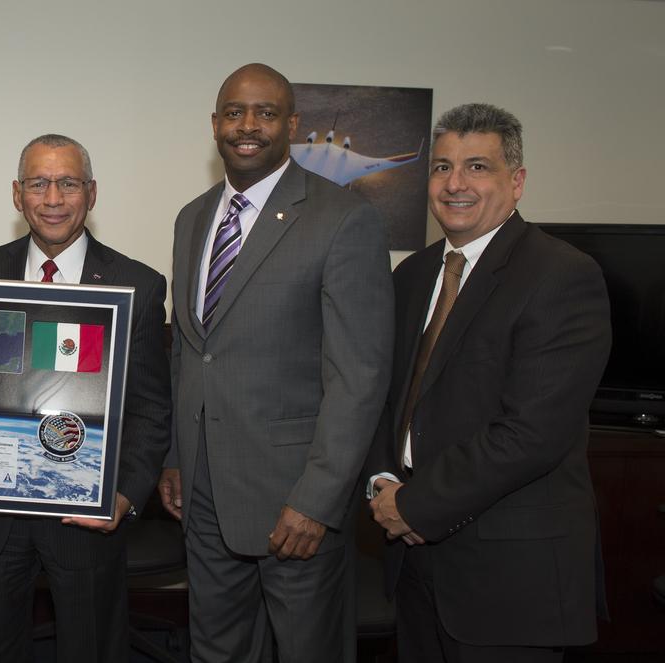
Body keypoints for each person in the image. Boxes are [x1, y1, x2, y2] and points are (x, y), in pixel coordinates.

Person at [158, 63, 394, 663]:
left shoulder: (343, 218)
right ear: (214, 124)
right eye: (234, 112)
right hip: (205, 493)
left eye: (265, 113)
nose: (248, 126)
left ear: (291, 124)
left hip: (293, 501)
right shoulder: (192, 217)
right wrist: (176, 458)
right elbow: (192, 349)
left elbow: (358, 377)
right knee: (215, 650)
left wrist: (317, 499)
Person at [365, 103, 611, 662]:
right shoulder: (414, 274)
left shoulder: (562, 276)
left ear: (516, 181)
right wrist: (382, 483)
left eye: (477, 167)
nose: (455, 184)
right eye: (443, 167)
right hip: (414, 563)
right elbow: (388, 399)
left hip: (509, 578)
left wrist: (417, 504)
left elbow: (533, 433)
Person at [0, 134, 172, 662]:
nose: (52, 198)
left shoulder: (137, 286)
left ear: (91, 193)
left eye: (68, 183)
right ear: (17, 193)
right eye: (38, 183)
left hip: (86, 522)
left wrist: (123, 495)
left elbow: (151, 405)